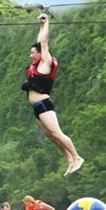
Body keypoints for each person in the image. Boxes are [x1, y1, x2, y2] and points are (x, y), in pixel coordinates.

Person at [22, 13, 85, 176]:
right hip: (37, 108)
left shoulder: (46, 63)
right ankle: (69, 160)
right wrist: (41, 26)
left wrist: (47, 22)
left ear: (40, 54)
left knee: (57, 133)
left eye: (32, 53)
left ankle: (77, 157)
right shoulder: (36, 66)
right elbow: (40, 39)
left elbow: (43, 42)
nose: (31, 55)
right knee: (51, 136)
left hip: (44, 104)